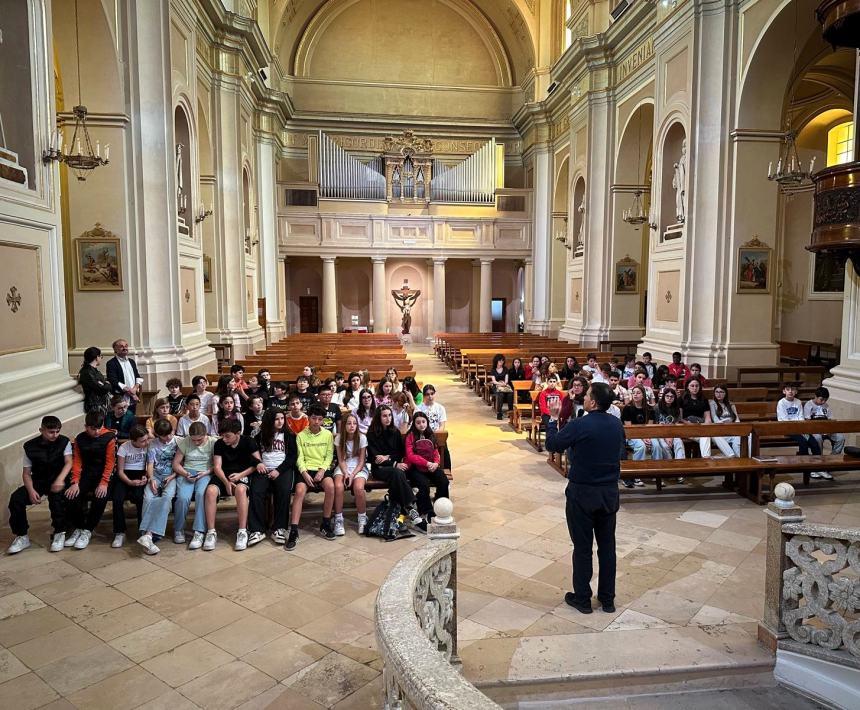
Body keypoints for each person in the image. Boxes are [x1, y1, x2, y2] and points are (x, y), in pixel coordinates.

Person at [545, 382, 624, 615]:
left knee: (582, 547)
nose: (585, 398)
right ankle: (608, 599)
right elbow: (620, 452)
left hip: (583, 493)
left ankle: (582, 598)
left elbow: (552, 445)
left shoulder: (581, 424)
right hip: (608, 493)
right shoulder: (616, 424)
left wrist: (553, 419)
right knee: (607, 547)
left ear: (594, 402)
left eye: (588, 395)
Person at [7, 416, 71, 554]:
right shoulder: (29, 447)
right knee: (16, 499)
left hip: (58, 477)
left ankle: (60, 532)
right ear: (41, 430)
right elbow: (26, 473)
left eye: (57, 431)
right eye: (51, 432)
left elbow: (68, 462)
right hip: (39, 479)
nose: (55, 435)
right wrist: (30, 491)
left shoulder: (64, 441)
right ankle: (22, 536)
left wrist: (60, 480)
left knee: (56, 499)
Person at [64, 411, 117, 550]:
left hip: (104, 475)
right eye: (93, 428)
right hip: (87, 474)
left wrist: (104, 483)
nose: (97, 431)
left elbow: (110, 463)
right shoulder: (80, 439)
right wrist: (75, 481)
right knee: (71, 496)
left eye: (99, 428)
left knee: (100, 497)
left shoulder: (109, 437)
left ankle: (87, 530)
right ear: (86, 426)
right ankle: (79, 527)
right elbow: (77, 461)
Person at [366, 405, 424, 532]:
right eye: (384, 416)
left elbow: (400, 453)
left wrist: (387, 457)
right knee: (398, 473)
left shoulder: (395, 432)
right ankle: (411, 508)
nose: (388, 418)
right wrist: (393, 463)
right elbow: (375, 459)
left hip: (394, 469)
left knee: (398, 475)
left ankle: (400, 513)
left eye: (390, 415)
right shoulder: (371, 434)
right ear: (378, 417)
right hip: (379, 470)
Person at [206, 419, 261, 551]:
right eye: (222, 436)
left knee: (241, 490)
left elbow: (257, 463)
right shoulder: (219, 444)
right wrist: (226, 482)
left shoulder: (249, 441)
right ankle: (211, 532)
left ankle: (242, 531)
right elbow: (217, 467)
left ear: (238, 433)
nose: (224, 439)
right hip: (224, 475)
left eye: (228, 436)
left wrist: (240, 476)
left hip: (242, 473)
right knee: (210, 491)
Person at [288, 404, 336, 548]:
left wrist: (322, 470)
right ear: (308, 418)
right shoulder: (301, 436)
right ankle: (294, 530)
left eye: (320, 419)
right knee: (300, 491)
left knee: (331, 487)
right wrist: (304, 472)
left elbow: (329, 455)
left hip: (321, 468)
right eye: (314, 418)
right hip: (306, 469)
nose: (316, 422)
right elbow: (299, 458)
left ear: (323, 421)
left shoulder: (328, 435)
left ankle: (326, 523)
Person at [249, 409, 297, 545]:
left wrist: (278, 470)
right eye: (277, 419)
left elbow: (292, 457)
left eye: (282, 418)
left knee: (283, 491)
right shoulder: (260, 435)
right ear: (270, 420)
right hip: (264, 469)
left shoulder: (289, 435)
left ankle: (280, 528)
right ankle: (256, 530)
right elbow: (251, 453)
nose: (280, 421)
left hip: (281, 470)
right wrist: (258, 463)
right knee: (256, 491)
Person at [137, 418, 179, 555]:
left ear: (172, 431)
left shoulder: (178, 442)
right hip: (155, 475)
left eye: (169, 434)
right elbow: (149, 464)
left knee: (167, 498)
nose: (167, 438)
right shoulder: (153, 444)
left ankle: (148, 535)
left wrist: (172, 476)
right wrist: (151, 478)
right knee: (148, 498)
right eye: (163, 436)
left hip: (171, 476)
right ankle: (147, 536)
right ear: (157, 435)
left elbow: (181, 463)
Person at [172, 421, 217, 548]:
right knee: (182, 497)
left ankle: (199, 531)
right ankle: (178, 529)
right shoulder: (185, 441)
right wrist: (186, 473)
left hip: (205, 472)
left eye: (199, 440)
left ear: (206, 434)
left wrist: (207, 472)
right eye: (194, 440)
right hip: (188, 472)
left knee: (201, 494)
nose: (196, 443)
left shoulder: (213, 442)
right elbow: (176, 464)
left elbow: (217, 465)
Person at [405, 411, 447, 525]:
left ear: (427, 423)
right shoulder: (410, 436)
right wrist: (427, 463)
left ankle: (441, 505)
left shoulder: (430, 434)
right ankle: (427, 511)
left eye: (423, 422)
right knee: (423, 484)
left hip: (431, 466)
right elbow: (411, 456)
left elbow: (435, 451)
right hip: (415, 468)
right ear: (414, 424)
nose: (421, 425)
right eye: (418, 422)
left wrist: (436, 463)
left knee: (443, 480)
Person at [112, 424, 150, 548]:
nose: (146, 442)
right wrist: (129, 482)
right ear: (133, 440)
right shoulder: (124, 448)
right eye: (142, 441)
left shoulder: (147, 447)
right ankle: (120, 532)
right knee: (117, 499)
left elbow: (148, 464)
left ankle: (142, 529)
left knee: (140, 498)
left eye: (146, 439)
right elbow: (120, 471)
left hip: (140, 474)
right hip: (125, 476)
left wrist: (146, 476)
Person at [336, 413, 369, 533]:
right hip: (344, 466)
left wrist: (352, 475)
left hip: (358, 467)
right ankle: (338, 519)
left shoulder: (362, 438)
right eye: (349, 423)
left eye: (354, 423)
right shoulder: (339, 438)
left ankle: (362, 518)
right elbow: (341, 460)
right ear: (344, 425)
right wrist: (346, 473)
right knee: (338, 486)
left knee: (359, 488)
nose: (352, 426)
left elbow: (361, 461)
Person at [804, 386, 844, 480]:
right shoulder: (808, 405)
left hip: (826, 429)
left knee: (840, 437)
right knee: (817, 438)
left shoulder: (826, 406)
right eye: (821, 399)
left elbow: (830, 419)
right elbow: (807, 422)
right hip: (813, 430)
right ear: (815, 396)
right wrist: (818, 430)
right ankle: (818, 464)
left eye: (825, 400)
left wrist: (829, 430)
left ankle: (829, 462)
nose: (823, 402)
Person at [620, 385, 653, 488]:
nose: (635, 395)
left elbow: (650, 426)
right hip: (631, 435)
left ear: (643, 395)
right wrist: (643, 438)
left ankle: (656, 474)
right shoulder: (628, 408)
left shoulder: (649, 409)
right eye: (634, 393)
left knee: (656, 445)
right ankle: (636, 475)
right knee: (641, 446)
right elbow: (629, 428)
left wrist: (647, 437)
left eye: (638, 393)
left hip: (646, 434)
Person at [777, 383, 822, 457]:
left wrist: (801, 427)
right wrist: (797, 428)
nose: (790, 391)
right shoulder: (781, 403)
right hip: (787, 428)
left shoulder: (798, 402)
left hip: (799, 428)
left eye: (793, 389)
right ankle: (803, 460)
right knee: (803, 441)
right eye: (788, 390)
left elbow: (801, 416)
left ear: (796, 392)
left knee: (813, 442)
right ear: (784, 391)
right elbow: (784, 419)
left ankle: (818, 461)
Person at [651, 389, 686, 482]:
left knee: (679, 443)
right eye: (667, 396)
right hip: (659, 433)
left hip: (673, 433)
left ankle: (680, 471)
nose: (669, 398)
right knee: (665, 446)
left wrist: (671, 436)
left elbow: (676, 424)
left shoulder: (676, 408)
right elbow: (654, 425)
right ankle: (670, 468)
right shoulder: (657, 407)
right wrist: (665, 437)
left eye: (672, 397)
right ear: (664, 397)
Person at [106, 339, 143, 411]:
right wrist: (131, 393)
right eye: (121, 346)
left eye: (126, 346)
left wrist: (135, 389)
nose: (125, 348)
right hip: (121, 399)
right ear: (115, 349)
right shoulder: (111, 363)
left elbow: (138, 377)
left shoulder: (132, 362)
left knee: (131, 419)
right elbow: (113, 381)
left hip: (133, 398)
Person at [680, 378, 712, 458]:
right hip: (686, 427)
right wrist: (690, 424)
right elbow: (680, 418)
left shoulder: (704, 400)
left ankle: (704, 458)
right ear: (687, 387)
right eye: (692, 386)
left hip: (700, 427)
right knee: (705, 437)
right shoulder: (682, 399)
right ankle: (706, 459)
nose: (695, 388)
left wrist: (704, 425)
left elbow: (707, 418)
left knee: (706, 436)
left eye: (697, 386)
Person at [708, 386, 741, 458]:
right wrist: (724, 421)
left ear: (725, 393)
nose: (719, 394)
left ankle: (740, 459)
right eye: (717, 392)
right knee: (715, 436)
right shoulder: (712, 403)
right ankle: (731, 455)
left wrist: (738, 428)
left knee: (747, 436)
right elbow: (715, 419)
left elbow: (736, 419)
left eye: (721, 392)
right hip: (721, 430)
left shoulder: (731, 404)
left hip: (732, 430)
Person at [78, 346, 112, 415]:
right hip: (95, 404)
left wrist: (104, 384)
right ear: (97, 357)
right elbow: (100, 388)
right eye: (101, 357)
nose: (101, 359)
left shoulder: (93, 370)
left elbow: (101, 384)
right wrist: (107, 384)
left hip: (100, 402)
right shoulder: (87, 372)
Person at [488, 354, 511, 420]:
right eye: (500, 361)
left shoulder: (505, 369)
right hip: (496, 385)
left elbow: (506, 380)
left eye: (502, 361)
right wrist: (500, 384)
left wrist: (505, 383)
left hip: (504, 385)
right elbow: (494, 381)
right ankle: (499, 413)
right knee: (500, 394)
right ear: (496, 361)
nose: (501, 362)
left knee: (510, 394)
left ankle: (510, 411)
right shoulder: (493, 370)